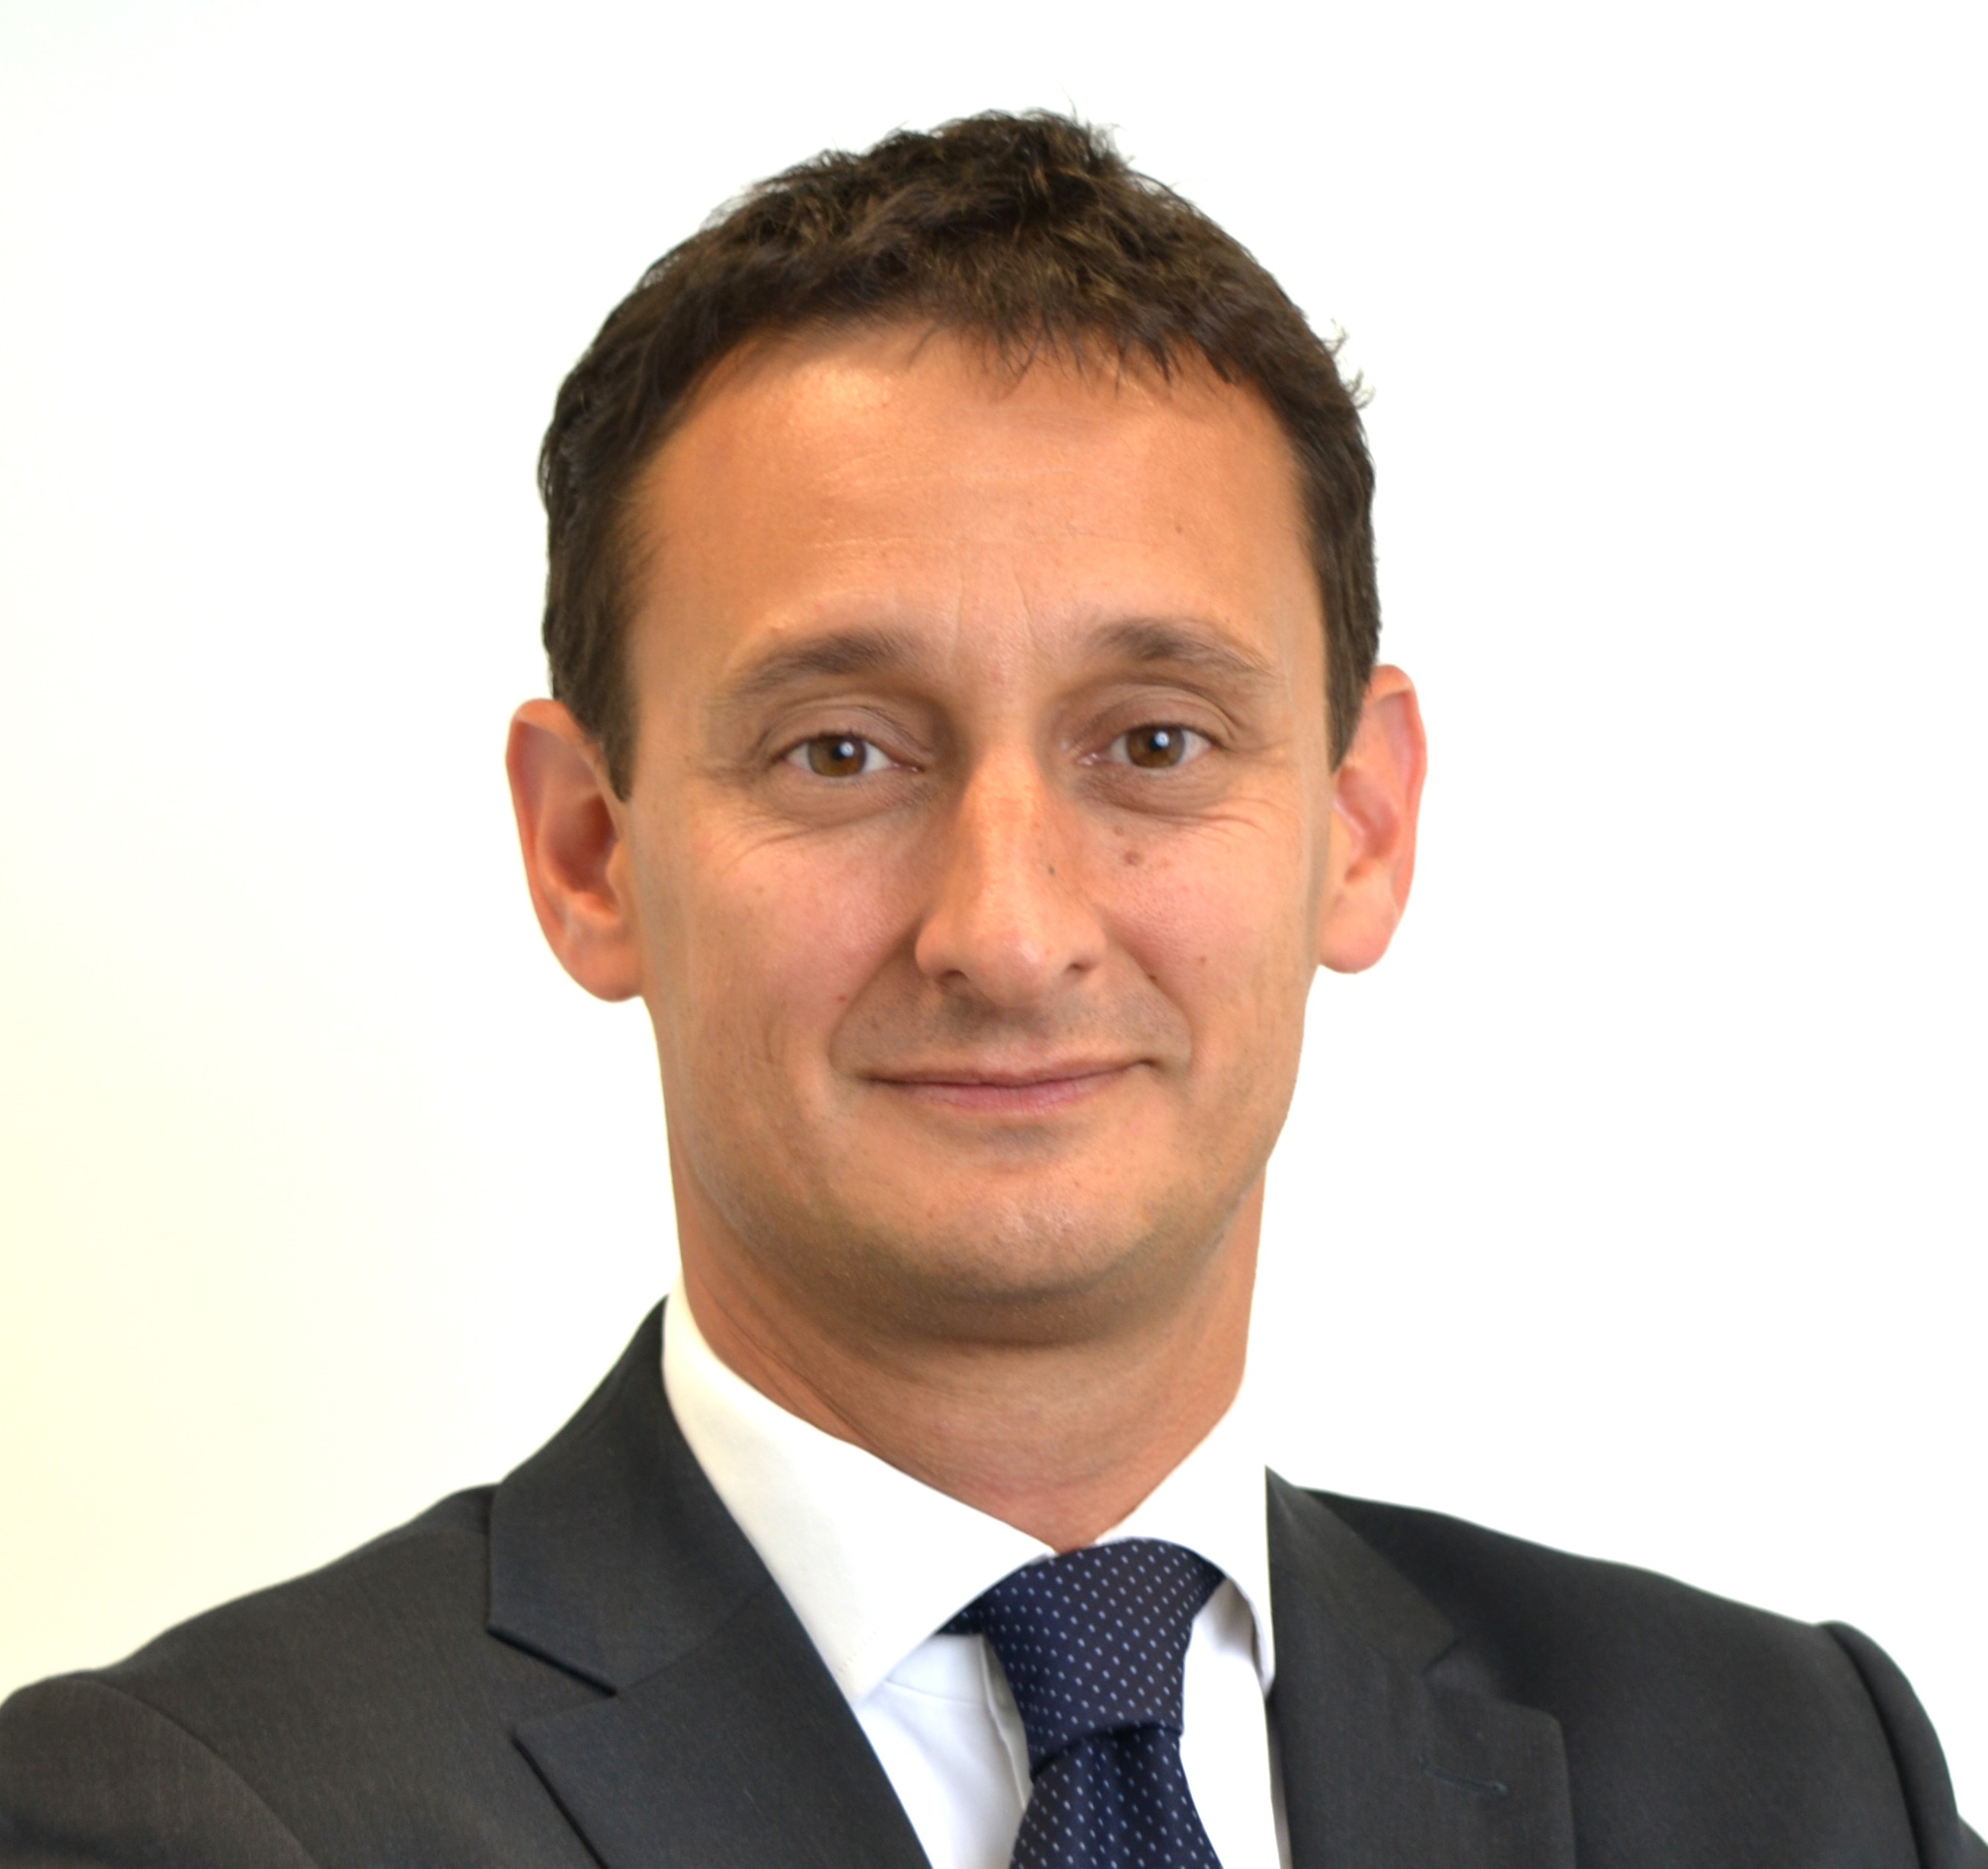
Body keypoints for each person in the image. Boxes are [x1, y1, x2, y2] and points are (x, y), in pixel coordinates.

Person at [0, 109, 1976, 1869]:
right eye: (840, 752)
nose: (1009, 932)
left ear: (1360, 823)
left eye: (1154, 741)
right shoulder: (187, 1825)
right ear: (590, 850)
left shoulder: (1799, 1780)